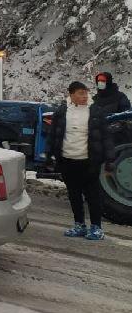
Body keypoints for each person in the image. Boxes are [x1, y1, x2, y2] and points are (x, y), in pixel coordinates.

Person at [47, 81, 115, 241]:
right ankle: (79, 225)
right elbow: (53, 135)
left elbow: (106, 137)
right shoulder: (62, 112)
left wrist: (110, 159)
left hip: (89, 161)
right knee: (74, 194)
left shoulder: (96, 112)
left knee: (93, 195)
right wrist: (49, 155)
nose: (84, 96)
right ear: (71, 95)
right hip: (67, 160)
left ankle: (96, 228)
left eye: (85, 93)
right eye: (80, 93)